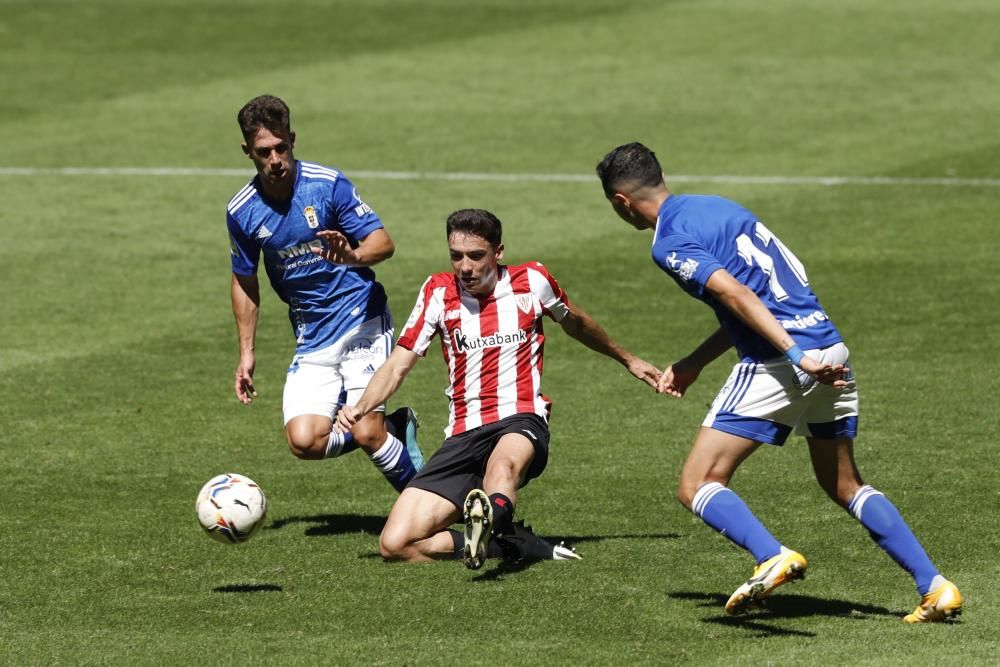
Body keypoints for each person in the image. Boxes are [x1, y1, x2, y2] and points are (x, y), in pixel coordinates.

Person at [595, 142, 962, 623]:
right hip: (830, 346)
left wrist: (795, 356)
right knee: (845, 483)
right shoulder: (718, 206)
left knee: (697, 483)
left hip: (786, 360)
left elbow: (736, 292)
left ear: (622, 202)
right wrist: (695, 361)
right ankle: (936, 587)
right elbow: (750, 298)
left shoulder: (668, 242)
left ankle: (772, 555)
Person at [336, 208, 661, 569]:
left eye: (476, 256)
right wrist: (362, 406)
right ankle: (510, 543)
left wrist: (628, 359)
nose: (465, 266)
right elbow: (398, 363)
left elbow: (578, 323)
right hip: (462, 434)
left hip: (520, 418)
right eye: (456, 256)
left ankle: (492, 517)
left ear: (498, 252)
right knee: (395, 544)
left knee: (502, 466)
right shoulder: (438, 292)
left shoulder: (532, 281)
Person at [226, 94, 423, 492]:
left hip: (361, 320)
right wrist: (246, 351)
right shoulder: (242, 211)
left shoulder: (327, 184)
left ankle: (433, 508)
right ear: (248, 151)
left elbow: (383, 243)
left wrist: (352, 255)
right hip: (312, 334)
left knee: (367, 431)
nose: (276, 159)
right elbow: (245, 280)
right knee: (305, 442)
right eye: (264, 152)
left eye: (282, 147)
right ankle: (395, 427)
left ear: (293, 139)